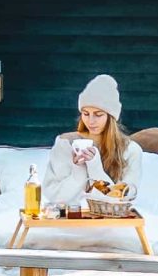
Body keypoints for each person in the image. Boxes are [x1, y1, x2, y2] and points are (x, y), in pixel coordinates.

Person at [39, 74, 143, 214]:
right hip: (72, 218)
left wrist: (95, 167)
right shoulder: (66, 144)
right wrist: (78, 170)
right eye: (86, 114)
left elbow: (121, 200)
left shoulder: (131, 150)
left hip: (111, 219)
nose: (91, 121)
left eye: (98, 114)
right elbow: (55, 197)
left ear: (111, 117)